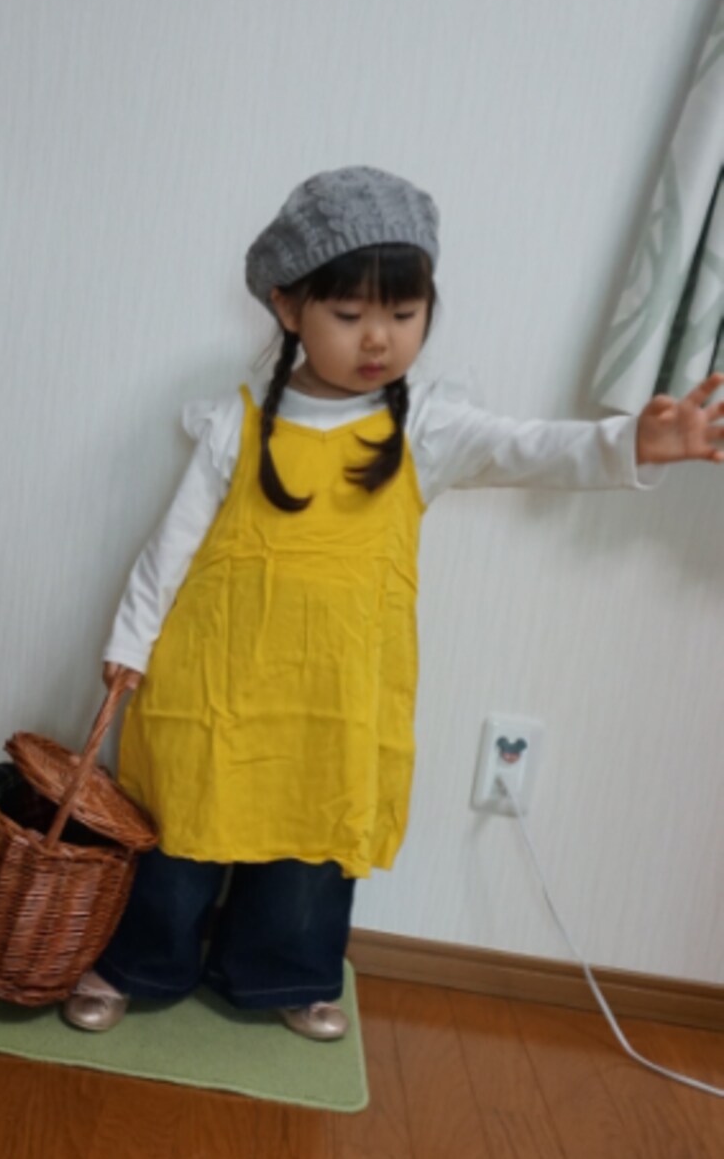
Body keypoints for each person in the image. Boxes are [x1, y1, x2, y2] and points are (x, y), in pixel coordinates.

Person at [62, 166, 724, 1040]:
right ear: (287, 307)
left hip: (341, 698)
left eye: (405, 314)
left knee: (314, 838)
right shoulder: (236, 423)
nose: (379, 338)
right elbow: (168, 549)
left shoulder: (426, 427)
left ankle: (287, 973)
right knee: (181, 826)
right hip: (213, 687)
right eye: (349, 314)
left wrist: (633, 441)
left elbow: (531, 448)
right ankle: (136, 963)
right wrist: (130, 644)